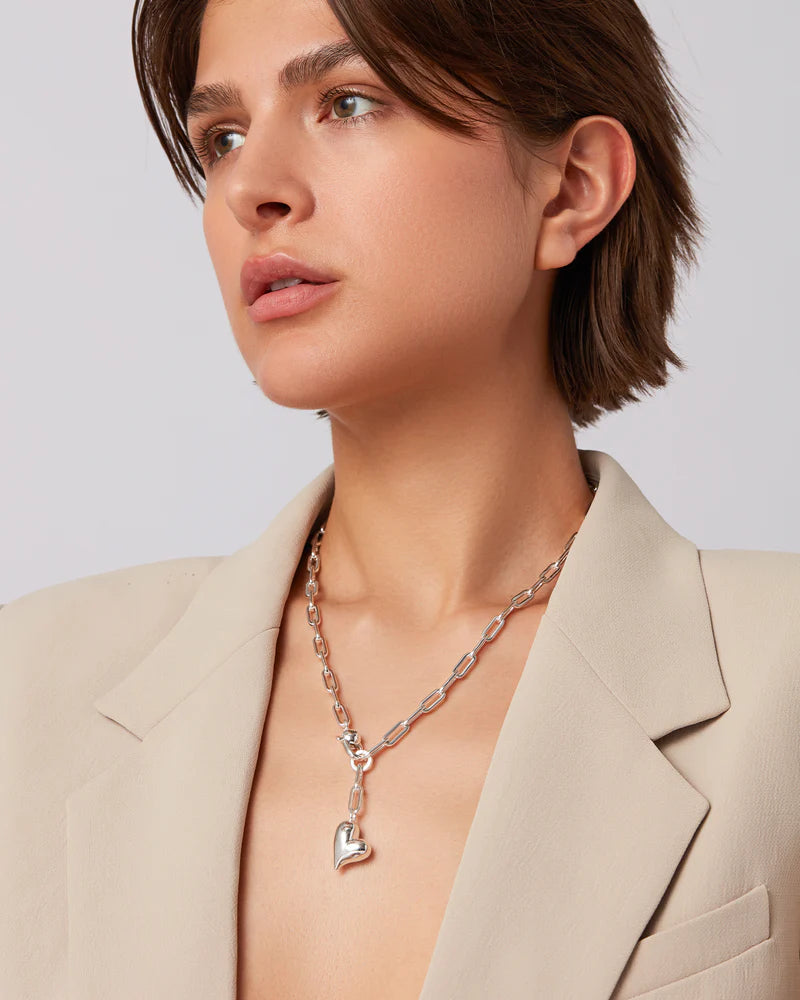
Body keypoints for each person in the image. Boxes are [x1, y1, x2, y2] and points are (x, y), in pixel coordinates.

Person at [3, 0, 798, 997]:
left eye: (346, 101)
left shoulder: (779, 685)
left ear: (570, 189)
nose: (252, 185)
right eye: (224, 135)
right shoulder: (28, 692)